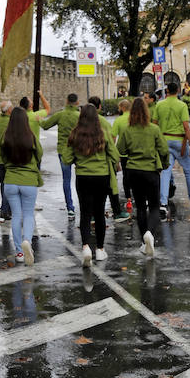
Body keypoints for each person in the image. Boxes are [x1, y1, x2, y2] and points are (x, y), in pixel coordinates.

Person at [65, 103, 121, 264]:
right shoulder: (102, 134)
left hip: (83, 177)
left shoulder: (75, 135)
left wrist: (77, 158)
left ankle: (85, 247)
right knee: (99, 213)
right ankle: (100, 249)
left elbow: (67, 159)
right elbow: (115, 155)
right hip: (101, 177)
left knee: (85, 213)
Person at [116, 96, 170, 257]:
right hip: (151, 170)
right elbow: (164, 150)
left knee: (140, 207)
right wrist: (165, 164)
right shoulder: (154, 129)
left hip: (133, 170)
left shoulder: (127, 129)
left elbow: (120, 149)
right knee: (154, 206)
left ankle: (143, 241)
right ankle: (150, 235)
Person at [0, 105, 44, 265]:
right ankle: (27, 242)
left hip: (10, 181)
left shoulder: (5, 137)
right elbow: (39, 154)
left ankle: (19, 251)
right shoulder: (30, 137)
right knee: (28, 215)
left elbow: (2, 157)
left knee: (16, 216)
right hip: (28, 181)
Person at [154, 81, 190, 216]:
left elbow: (154, 124)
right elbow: (186, 127)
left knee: (165, 172)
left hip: (164, 141)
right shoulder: (181, 105)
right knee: (188, 171)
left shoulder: (159, 105)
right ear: (177, 90)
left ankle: (163, 203)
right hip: (179, 141)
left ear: (167, 91)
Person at [89, 95, 131, 220]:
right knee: (111, 186)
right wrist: (115, 160)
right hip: (103, 160)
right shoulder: (103, 121)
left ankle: (91, 215)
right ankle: (117, 212)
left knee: (89, 191)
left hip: (85, 163)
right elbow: (111, 142)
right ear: (100, 107)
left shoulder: (81, 121)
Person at [40, 93, 81, 220]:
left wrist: (38, 118)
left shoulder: (60, 114)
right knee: (81, 179)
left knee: (66, 180)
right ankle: (84, 207)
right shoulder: (79, 116)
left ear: (66, 101)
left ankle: (70, 208)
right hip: (79, 151)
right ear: (77, 103)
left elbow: (45, 126)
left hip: (63, 151)